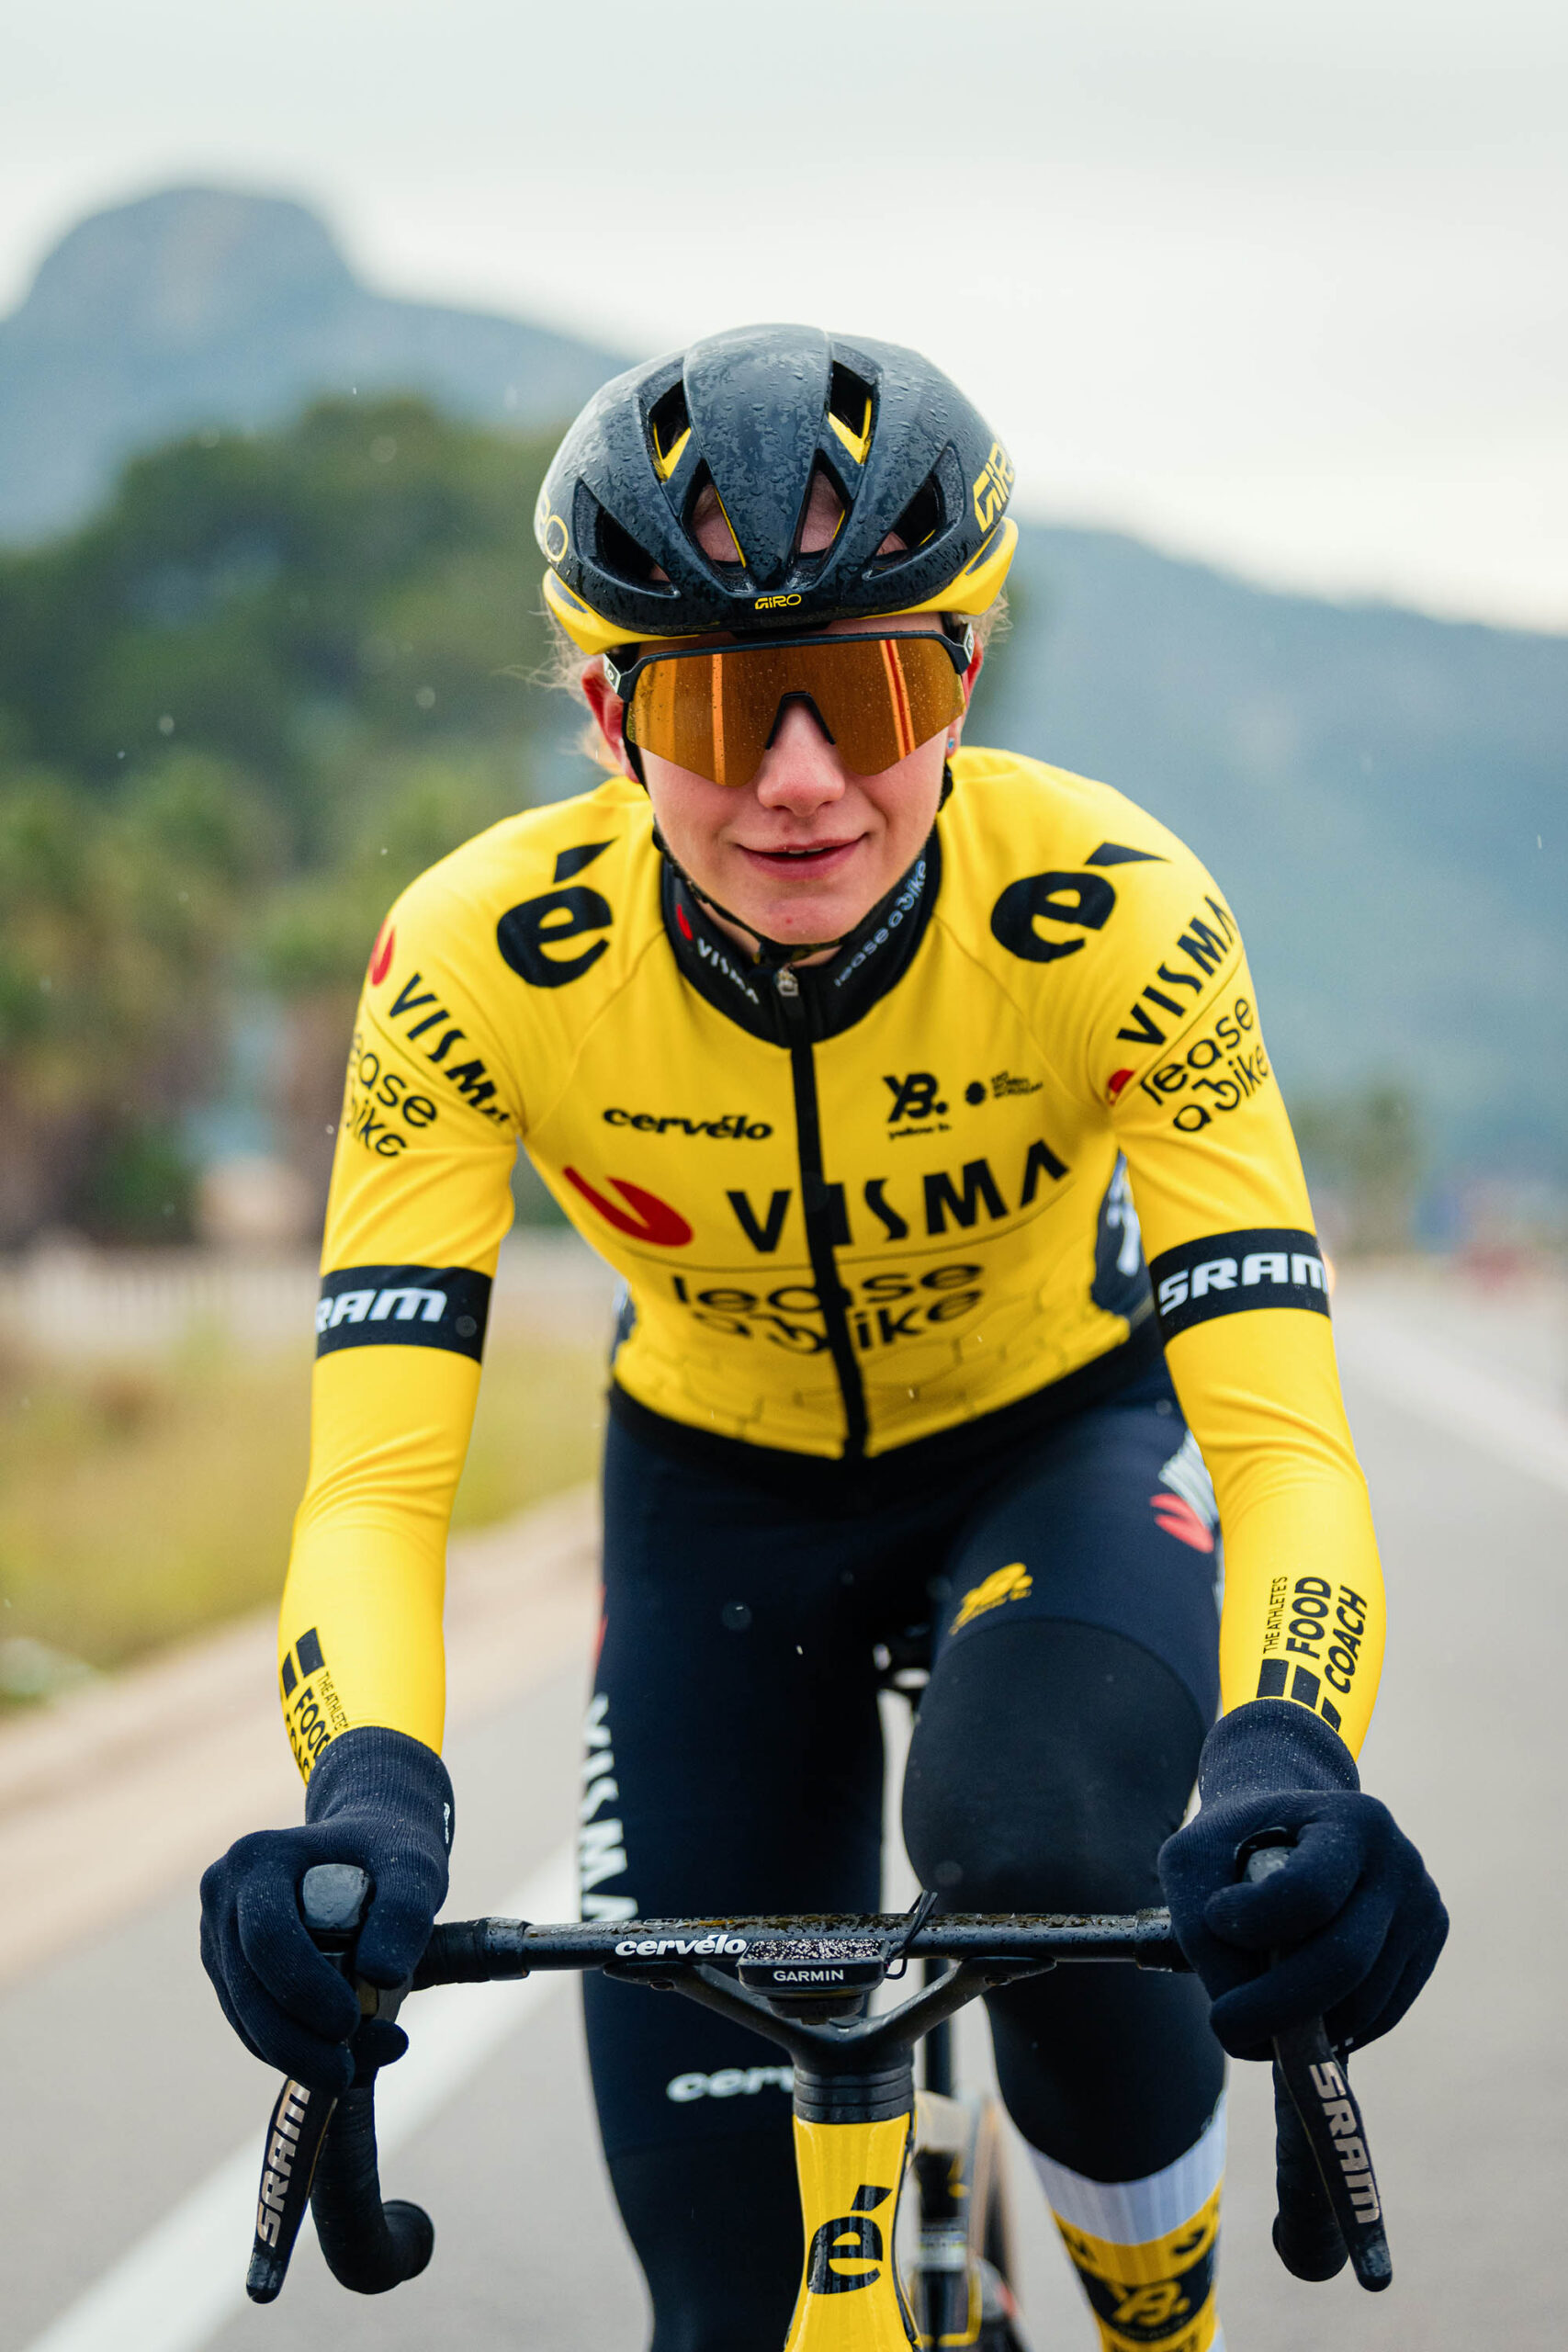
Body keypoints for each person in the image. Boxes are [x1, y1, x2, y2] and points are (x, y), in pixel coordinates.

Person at [200, 326, 1447, 2352]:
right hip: (716, 1498)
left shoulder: (1120, 913)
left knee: (1041, 1847)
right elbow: (375, 1484)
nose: (799, 781)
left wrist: (1287, 1750)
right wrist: (365, 1795)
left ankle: (1157, 2319)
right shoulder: (475, 960)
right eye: (713, 699)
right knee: (731, 2309)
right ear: (606, 712)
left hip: (1056, 1439)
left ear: (960, 676)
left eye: (865, 691)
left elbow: (1285, 1444)